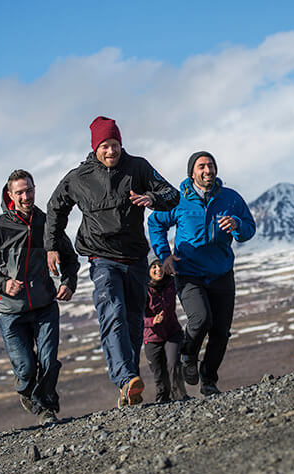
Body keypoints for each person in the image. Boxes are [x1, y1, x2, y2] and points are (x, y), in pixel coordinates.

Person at [45, 116, 179, 408]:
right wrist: (52, 246)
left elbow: (172, 195)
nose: (111, 151)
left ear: (121, 144)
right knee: (113, 313)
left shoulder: (138, 167)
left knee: (132, 323)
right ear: (95, 148)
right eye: (105, 146)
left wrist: (152, 198)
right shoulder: (78, 177)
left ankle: (128, 385)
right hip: (102, 257)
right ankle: (125, 377)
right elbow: (55, 208)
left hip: (135, 259)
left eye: (115, 145)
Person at [0, 169, 79, 425]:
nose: (25, 196)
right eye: (19, 192)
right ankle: (25, 389)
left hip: (44, 305)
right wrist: (2, 283)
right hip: (11, 311)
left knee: (48, 361)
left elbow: (70, 257)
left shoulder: (47, 223)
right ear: (10, 195)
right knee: (26, 368)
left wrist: (68, 282)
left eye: (29, 190)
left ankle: (46, 410)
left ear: (34, 189)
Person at [148, 151, 256, 396]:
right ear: (192, 172)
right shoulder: (178, 199)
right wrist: (164, 254)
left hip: (221, 272)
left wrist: (238, 225)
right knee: (201, 319)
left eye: (211, 166)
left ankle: (209, 379)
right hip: (189, 272)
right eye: (202, 167)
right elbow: (155, 222)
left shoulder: (230, 198)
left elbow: (250, 228)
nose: (208, 170)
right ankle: (188, 354)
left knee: (220, 331)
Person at [143, 257, 188, 403]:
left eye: (160, 266)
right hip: (152, 337)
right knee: (159, 372)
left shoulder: (171, 283)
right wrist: (152, 321)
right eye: (154, 267)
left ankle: (181, 397)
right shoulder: (143, 289)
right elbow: (136, 317)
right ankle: (162, 401)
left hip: (172, 332)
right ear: (148, 271)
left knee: (174, 364)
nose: (158, 270)